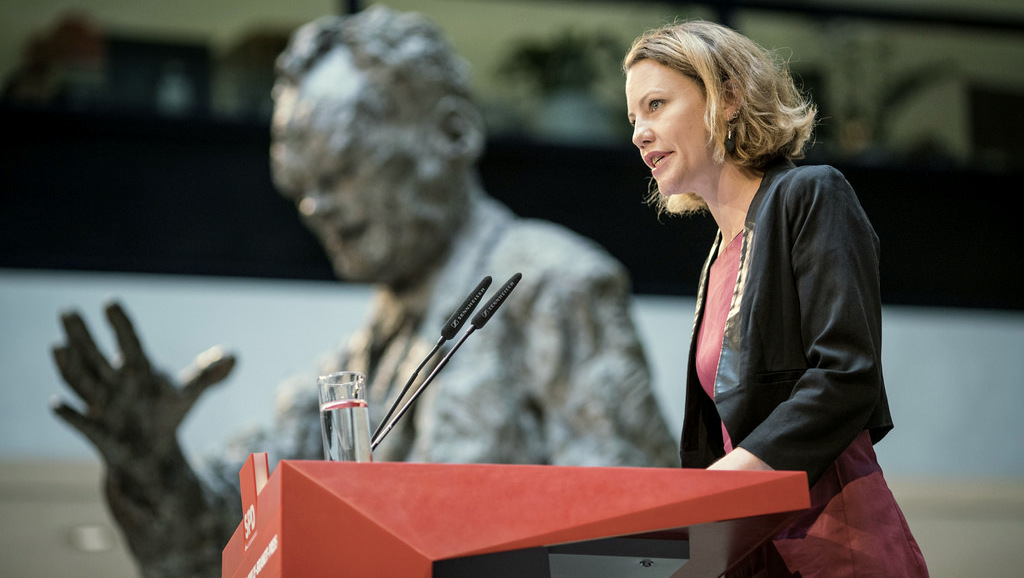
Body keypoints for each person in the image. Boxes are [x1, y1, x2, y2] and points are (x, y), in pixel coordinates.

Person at [51, 7, 678, 578]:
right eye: (300, 185)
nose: (316, 206)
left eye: (345, 167)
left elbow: (638, 544)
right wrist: (152, 465)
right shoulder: (356, 360)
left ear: (451, 133)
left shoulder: (552, 284)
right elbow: (217, 544)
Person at [623, 20, 928, 577]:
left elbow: (845, 376)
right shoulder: (718, 256)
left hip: (832, 540)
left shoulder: (810, 194)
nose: (640, 132)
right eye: (634, 117)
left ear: (730, 97)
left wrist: (720, 490)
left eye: (657, 105)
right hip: (748, 546)